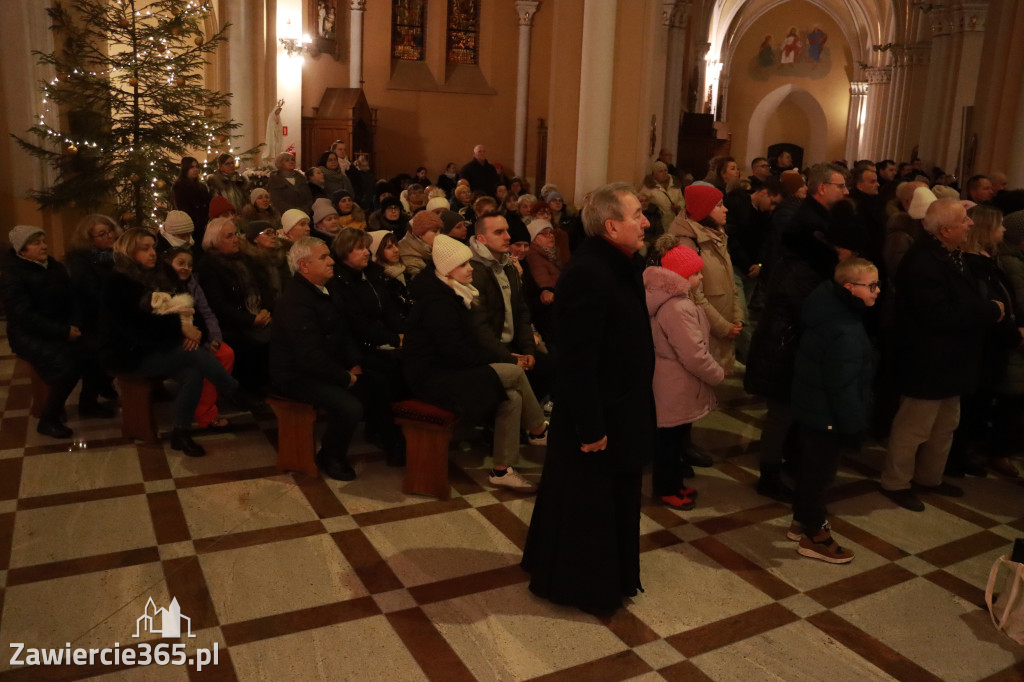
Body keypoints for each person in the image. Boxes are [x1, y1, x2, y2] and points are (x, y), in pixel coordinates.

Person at [521, 182, 657, 616]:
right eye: (637, 215)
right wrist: (591, 425)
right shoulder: (589, 273)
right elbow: (577, 359)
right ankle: (583, 586)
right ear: (611, 226)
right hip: (600, 413)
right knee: (589, 502)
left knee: (609, 498)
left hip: (620, 405)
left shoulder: (619, 263)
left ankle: (606, 577)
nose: (646, 222)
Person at [881, 199, 1005, 511]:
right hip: (927, 359)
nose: (970, 223)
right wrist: (988, 311)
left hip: (951, 359)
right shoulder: (923, 262)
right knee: (914, 427)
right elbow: (938, 314)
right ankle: (896, 482)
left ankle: (929, 477)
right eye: (964, 220)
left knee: (945, 424)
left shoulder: (948, 253)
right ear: (946, 230)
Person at [404, 234, 548, 491]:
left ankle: (502, 470)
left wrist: (501, 356)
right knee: (514, 373)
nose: (470, 268)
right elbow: (454, 353)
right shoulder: (438, 303)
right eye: (463, 265)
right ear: (447, 270)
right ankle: (539, 430)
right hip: (434, 378)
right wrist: (501, 358)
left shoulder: (456, 293)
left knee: (512, 397)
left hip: (453, 369)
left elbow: (465, 347)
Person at [101, 229, 256, 456]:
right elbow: (137, 329)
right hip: (129, 353)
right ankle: (235, 391)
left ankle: (180, 433)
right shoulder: (117, 283)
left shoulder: (160, 274)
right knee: (193, 355)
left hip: (159, 346)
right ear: (128, 252)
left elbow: (185, 307)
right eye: (145, 248)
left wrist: (188, 332)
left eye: (153, 247)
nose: (152, 253)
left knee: (192, 372)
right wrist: (180, 330)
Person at [271, 238, 387, 480]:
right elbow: (308, 357)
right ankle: (331, 456)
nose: (332, 261)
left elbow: (343, 331)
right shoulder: (295, 302)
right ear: (304, 266)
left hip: (324, 364)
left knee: (380, 382)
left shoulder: (327, 288)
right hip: (295, 374)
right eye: (323, 257)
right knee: (349, 407)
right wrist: (344, 377)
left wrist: (354, 363)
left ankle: (381, 435)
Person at [789, 258, 879, 564]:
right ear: (850, 288)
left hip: (813, 408)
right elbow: (843, 386)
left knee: (810, 468)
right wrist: (854, 426)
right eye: (872, 286)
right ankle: (814, 535)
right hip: (827, 415)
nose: (878, 291)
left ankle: (800, 521)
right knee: (819, 476)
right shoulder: (845, 329)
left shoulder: (827, 307)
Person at [645, 245, 725, 510]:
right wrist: (716, 374)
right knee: (669, 441)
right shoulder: (677, 307)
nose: (700, 277)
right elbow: (692, 354)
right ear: (682, 275)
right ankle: (667, 489)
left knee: (674, 438)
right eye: (696, 273)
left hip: (673, 381)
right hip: (675, 383)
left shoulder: (673, 301)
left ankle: (674, 484)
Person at [2, 226, 98, 438]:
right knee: (68, 364)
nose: (44, 246)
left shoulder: (53, 266)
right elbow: (24, 316)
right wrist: (63, 332)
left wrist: (75, 324)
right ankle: (49, 419)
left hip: (61, 327)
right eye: (36, 243)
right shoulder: (12, 274)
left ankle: (88, 403)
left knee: (95, 350)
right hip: (28, 334)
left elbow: (73, 297)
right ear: (22, 250)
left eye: (43, 241)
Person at [669, 183, 743, 372]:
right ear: (704, 210)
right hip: (706, 331)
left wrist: (737, 316)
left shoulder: (717, 236)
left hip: (722, 326)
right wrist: (723, 327)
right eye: (719, 205)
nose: (725, 209)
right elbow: (694, 295)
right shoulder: (688, 244)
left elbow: (730, 282)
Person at [197, 217, 275, 393]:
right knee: (246, 345)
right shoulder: (208, 266)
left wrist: (265, 309)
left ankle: (272, 384)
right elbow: (218, 305)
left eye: (236, 234)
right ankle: (247, 391)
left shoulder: (245, 259)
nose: (235, 239)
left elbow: (265, 288)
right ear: (214, 241)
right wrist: (251, 320)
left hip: (257, 315)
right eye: (229, 236)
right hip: (231, 324)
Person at [164, 246, 235, 429]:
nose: (185, 268)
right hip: (177, 341)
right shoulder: (162, 285)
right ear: (168, 263)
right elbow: (166, 320)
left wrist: (215, 338)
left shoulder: (193, 283)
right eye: (180, 263)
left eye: (189, 265)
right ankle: (206, 414)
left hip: (199, 335)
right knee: (202, 364)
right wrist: (188, 335)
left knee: (225, 353)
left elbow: (207, 312)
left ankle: (206, 402)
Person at [173, 156, 212, 244]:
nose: (195, 170)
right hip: (192, 227)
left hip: (206, 226)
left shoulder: (202, 187)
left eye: (196, 167)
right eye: (191, 167)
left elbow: (209, 205)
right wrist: (200, 224)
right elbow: (183, 209)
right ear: (185, 169)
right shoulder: (179, 187)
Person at [641, 160, 684, 233]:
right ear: (654, 174)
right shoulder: (648, 188)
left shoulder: (675, 185)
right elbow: (642, 202)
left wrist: (678, 207)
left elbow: (682, 200)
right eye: (660, 171)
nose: (664, 173)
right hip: (659, 225)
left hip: (675, 223)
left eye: (665, 170)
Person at [398, 210, 442, 279]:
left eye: (440, 231)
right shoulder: (409, 260)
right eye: (435, 231)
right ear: (420, 233)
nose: (439, 235)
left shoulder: (430, 249)